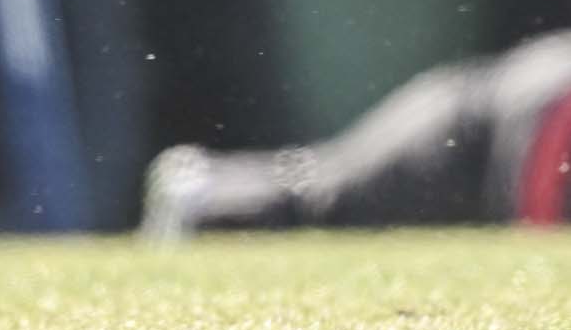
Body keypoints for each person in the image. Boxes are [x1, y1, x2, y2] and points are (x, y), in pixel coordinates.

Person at [141, 33, 571, 240]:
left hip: (492, 132)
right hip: (460, 135)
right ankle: (199, 197)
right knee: (324, 204)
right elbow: (547, 162)